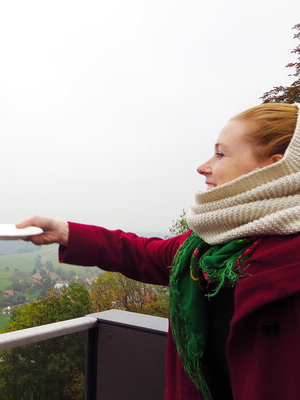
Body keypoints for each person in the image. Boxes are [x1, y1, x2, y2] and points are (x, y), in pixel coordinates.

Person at [17, 103, 300, 400]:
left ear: (274, 166)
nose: (203, 166)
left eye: (221, 153)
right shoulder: (207, 242)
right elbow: (143, 253)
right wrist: (64, 232)